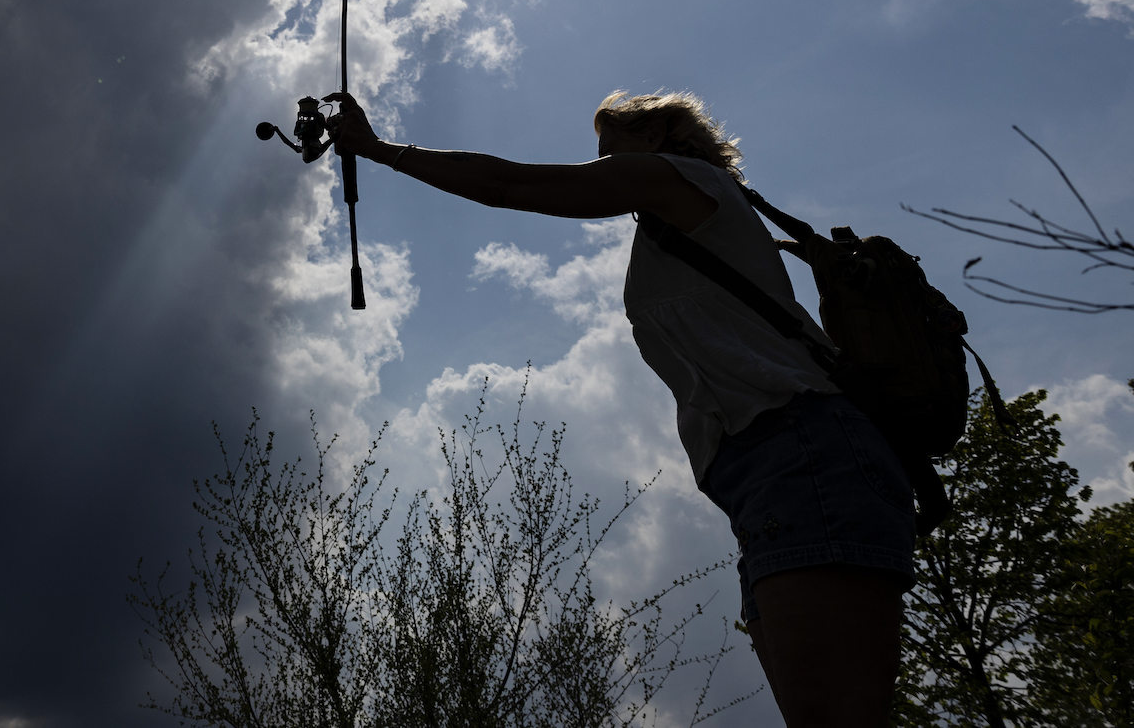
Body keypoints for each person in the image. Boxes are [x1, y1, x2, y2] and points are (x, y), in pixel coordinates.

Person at [325, 88, 913, 728]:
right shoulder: (690, 216)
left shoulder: (681, 180)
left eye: (611, 151)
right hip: (776, 469)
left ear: (657, 135)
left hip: (801, 452)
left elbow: (507, 183)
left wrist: (380, 151)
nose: (603, 168)